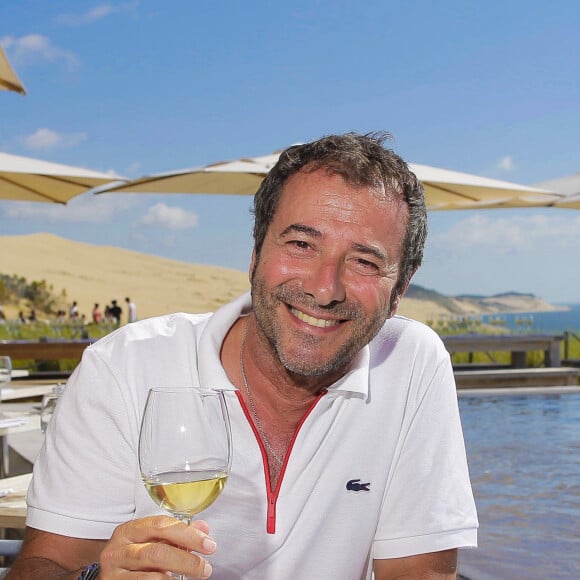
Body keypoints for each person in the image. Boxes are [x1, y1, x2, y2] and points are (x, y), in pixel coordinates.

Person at [8, 132, 478, 579]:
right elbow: (40, 567)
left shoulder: (412, 362)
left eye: (365, 262)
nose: (323, 287)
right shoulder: (122, 368)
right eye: (301, 244)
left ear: (399, 291)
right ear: (254, 253)